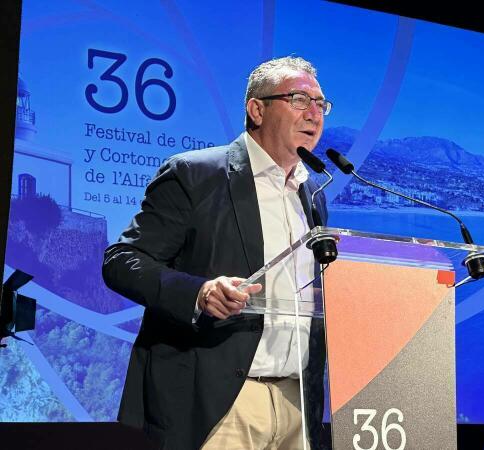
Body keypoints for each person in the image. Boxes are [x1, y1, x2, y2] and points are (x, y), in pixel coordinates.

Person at [102, 56, 332, 450]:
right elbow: (123, 261)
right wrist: (199, 292)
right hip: (221, 401)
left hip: (299, 403)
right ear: (257, 109)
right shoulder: (195, 174)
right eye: (299, 99)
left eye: (320, 104)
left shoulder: (311, 194)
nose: (314, 113)